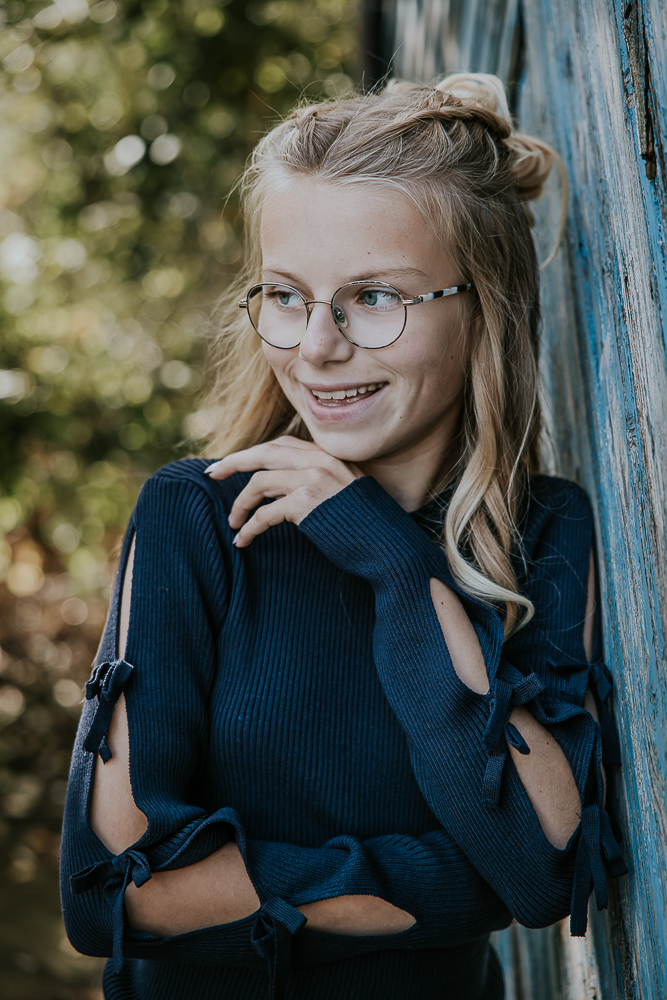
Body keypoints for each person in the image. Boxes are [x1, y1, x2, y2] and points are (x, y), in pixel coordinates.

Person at [60, 74, 627, 1000]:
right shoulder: (199, 517)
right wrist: (445, 885)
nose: (316, 347)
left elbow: (539, 869)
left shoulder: (545, 532)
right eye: (285, 295)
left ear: (480, 300)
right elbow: (112, 896)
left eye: (372, 297)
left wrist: (399, 570)